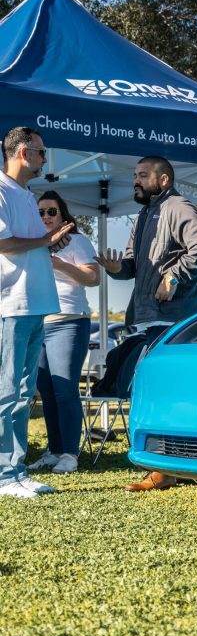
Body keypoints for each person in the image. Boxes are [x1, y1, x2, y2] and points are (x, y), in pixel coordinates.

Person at [96, 155, 197, 492]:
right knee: (154, 391)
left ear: (163, 180)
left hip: (173, 321)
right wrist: (116, 269)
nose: (135, 181)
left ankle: (166, 468)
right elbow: (133, 266)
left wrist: (174, 277)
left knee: (163, 392)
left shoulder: (178, 207)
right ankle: (168, 466)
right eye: (134, 175)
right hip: (146, 319)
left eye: (142, 175)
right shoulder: (144, 214)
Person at [0, 127, 74, 498]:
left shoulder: (26, 195)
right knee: (6, 391)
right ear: (23, 153)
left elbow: (27, 246)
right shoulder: (1, 190)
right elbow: (3, 243)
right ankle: (4, 475)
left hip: (34, 304)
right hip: (11, 304)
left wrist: (49, 245)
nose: (45, 158)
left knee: (23, 392)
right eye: (42, 152)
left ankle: (16, 470)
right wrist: (45, 240)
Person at [28, 192, 99, 476]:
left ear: (62, 214)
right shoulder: (33, 244)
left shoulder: (76, 241)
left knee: (65, 389)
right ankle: (55, 450)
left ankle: (70, 453)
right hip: (38, 323)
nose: (46, 217)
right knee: (46, 391)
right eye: (40, 212)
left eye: (51, 211)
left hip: (69, 321)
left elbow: (93, 277)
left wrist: (58, 263)